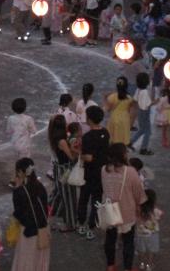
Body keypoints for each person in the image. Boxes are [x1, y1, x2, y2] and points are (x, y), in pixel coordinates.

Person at [101, 143, 146, 271]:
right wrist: (139, 207)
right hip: (126, 211)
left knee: (110, 239)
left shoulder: (104, 169)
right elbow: (139, 193)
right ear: (123, 155)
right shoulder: (131, 171)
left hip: (110, 210)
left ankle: (110, 265)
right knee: (128, 242)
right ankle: (127, 268)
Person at [11, 158, 50, 271]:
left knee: (26, 260)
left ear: (20, 172)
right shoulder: (40, 186)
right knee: (38, 260)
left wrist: (17, 187)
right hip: (42, 229)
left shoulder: (18, 192)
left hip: (28, 232)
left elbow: (18, 214)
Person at [77, 106, 109, 240]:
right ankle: (91, 227)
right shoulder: (105, 133)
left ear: (89, 119)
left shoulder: (88, 137)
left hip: (89, 173)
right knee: (97, 200)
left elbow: (88, 157)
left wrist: (79, 154)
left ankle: (82, 224)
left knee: (84, 199)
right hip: (101, 172)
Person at [48, 114, 77, 231]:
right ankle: (70, 224)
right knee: (69, 197)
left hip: (58, 168)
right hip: (64, 170)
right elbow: (71, 157)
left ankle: (50, 215)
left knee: (59, 194)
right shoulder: (62, 140)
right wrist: (76, 150)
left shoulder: (53, 136)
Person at [129, 72, 156, 155]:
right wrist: (155, 101)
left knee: (141, 129)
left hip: (140, 112)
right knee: (148, 131)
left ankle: (131, 142)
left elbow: (135, 100)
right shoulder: (144, 92)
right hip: (144, 113)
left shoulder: (139, 89)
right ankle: (143, 148)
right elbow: (146, 106)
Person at [135, 189, 162, 271]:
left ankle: (141, 264)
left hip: (140, 233)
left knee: (141, 250)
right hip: (153, 234)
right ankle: (149, 265)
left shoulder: (138, 210)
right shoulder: (155, 211)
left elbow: (136, 219)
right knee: (151, 251)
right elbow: (160, 217)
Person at [105, 76, 134, 145]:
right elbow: (130, 110)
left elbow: (107, 109)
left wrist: (104, 99)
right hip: (125, 119)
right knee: (123, 139)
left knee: (113, 138)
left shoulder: (112, 97)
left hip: (114, 119)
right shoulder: (129, 98)